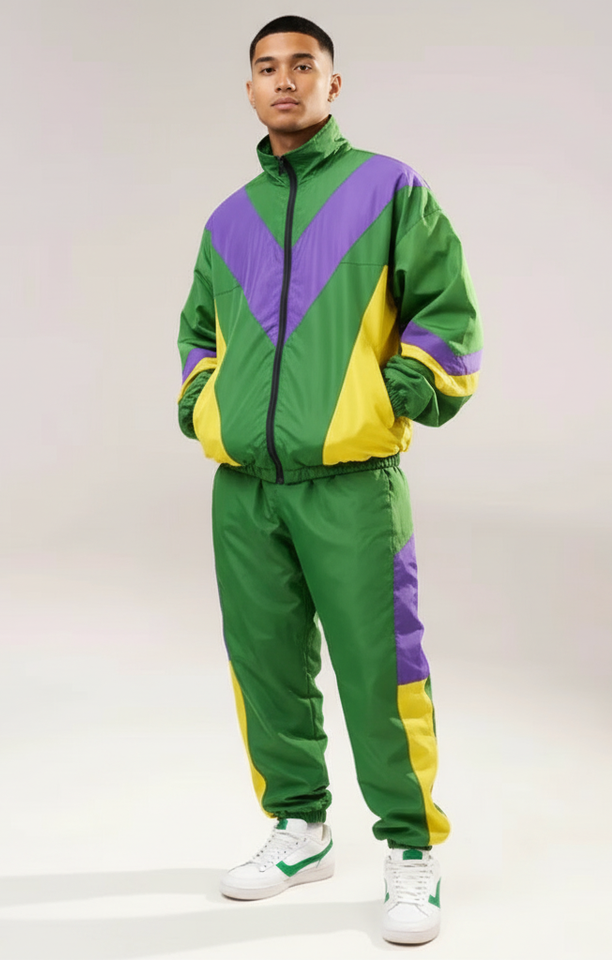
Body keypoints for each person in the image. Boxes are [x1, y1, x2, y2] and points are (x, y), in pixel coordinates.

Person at [176, 14, 482, 946]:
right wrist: (202, 405)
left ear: (331, 84)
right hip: (244, 488)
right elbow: (197, 335)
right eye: (266, 67)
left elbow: (448, 318)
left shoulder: (389, 190)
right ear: (248, 88)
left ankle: (411, 847)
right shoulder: (228, 219)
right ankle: (299, 829)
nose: (284, 80)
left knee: (381, 669)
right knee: (264, 664)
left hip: (352, 483)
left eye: (301, 65)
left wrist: (386, 400)